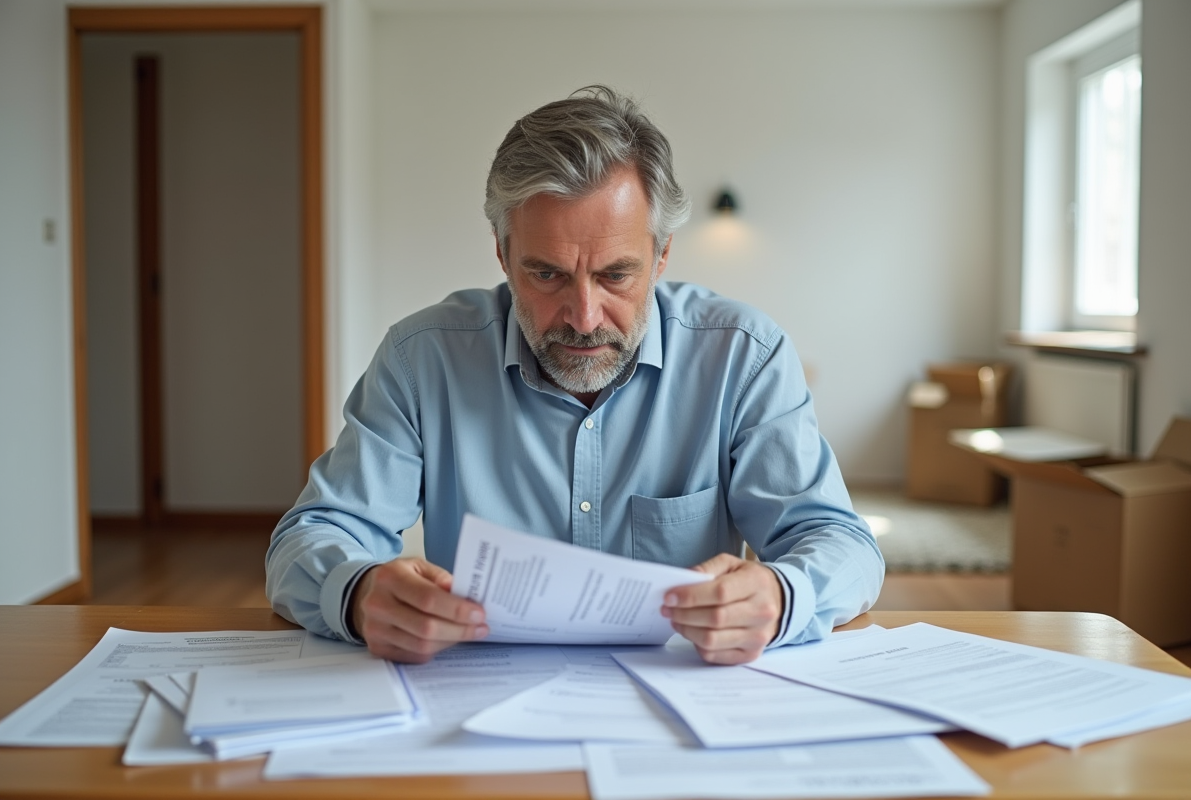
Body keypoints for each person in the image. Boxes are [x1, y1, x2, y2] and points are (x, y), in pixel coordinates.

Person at [266, 86, 883, 666]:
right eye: (547, 275)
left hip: (683, 700)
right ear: (503, 253)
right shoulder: (421, 359)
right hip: (474, 705)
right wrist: (356, 592)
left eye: (616, 275)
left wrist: (781, 596)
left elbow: (840, 542)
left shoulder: (743, 357)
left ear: (662, 254)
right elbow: (313, 535)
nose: (584, 318)